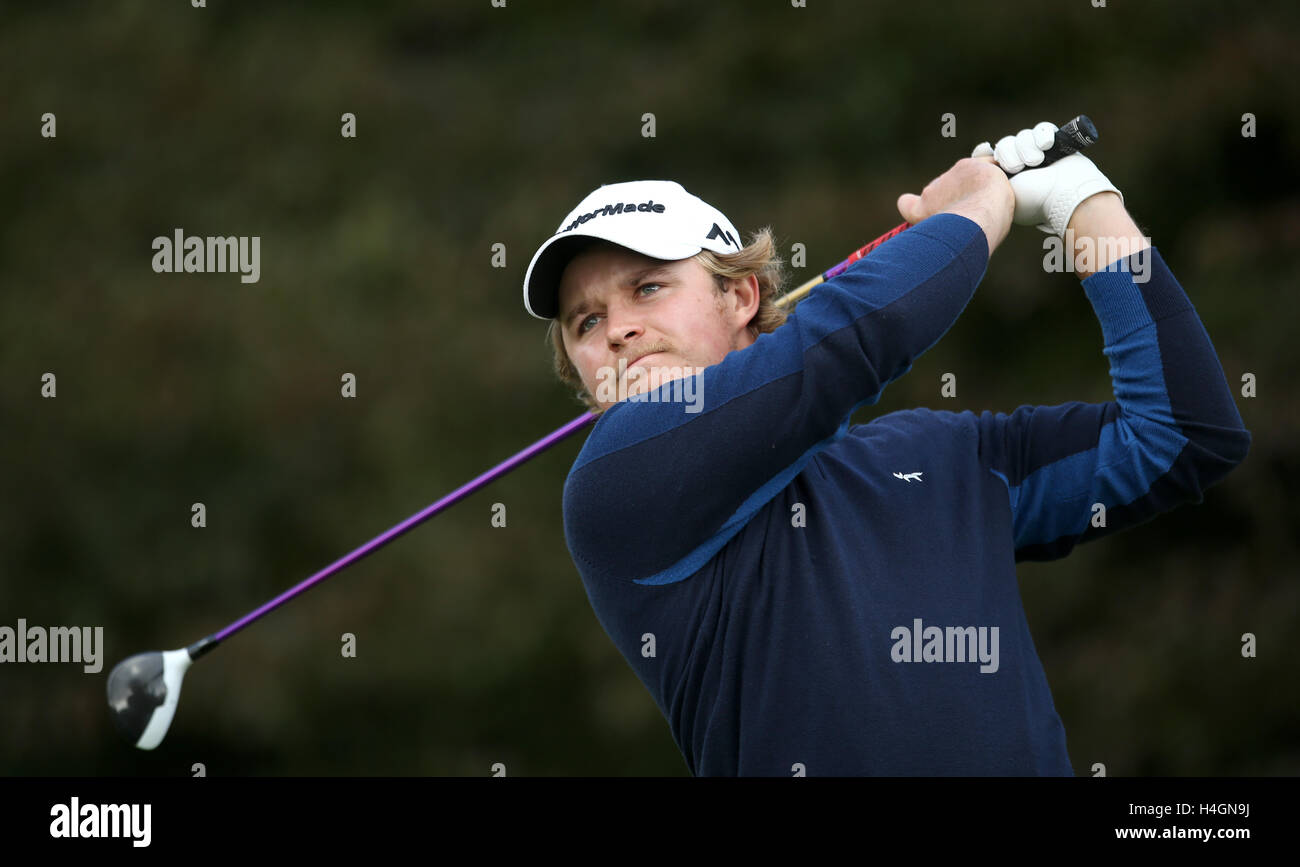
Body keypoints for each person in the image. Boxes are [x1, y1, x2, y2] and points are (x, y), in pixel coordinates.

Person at [520, 122, 1252, 776]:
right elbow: (852, 339)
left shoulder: (945, 454)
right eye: (585, 321)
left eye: (647, 287)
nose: (614, 329)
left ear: (740, 297)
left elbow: (1183, 434)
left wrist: (1083, 205)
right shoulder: (615, 487)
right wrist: (982, 206)